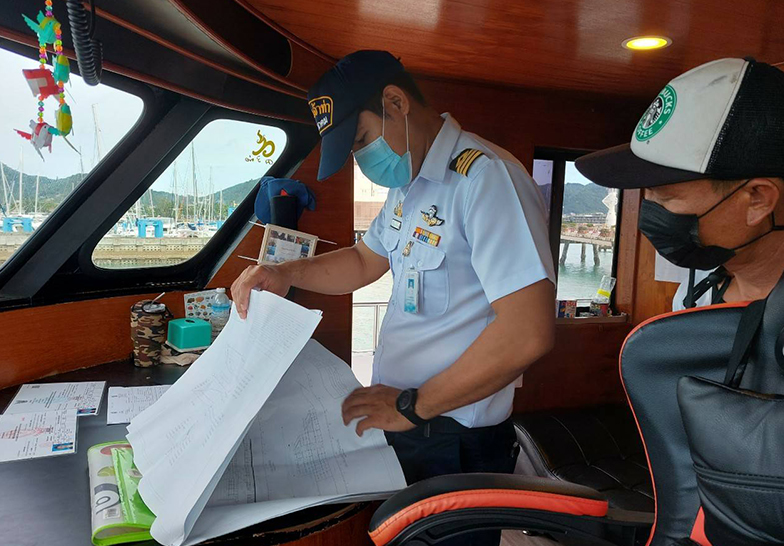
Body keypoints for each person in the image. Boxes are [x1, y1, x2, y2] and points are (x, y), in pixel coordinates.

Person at [231, 50, 556, 544]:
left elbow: (526, 332)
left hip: (452, 436)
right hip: (408, 418)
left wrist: (414, 405)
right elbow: (364, 260)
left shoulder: (485, 178)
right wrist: (284, 272)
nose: (363, 161)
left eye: (362, 140)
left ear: (396, 102)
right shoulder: (408, 186)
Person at [576, 57, 784, 308]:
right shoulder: (693, 296)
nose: (648, 213)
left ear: (757, 199)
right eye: (647, 194)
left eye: (665, 197)